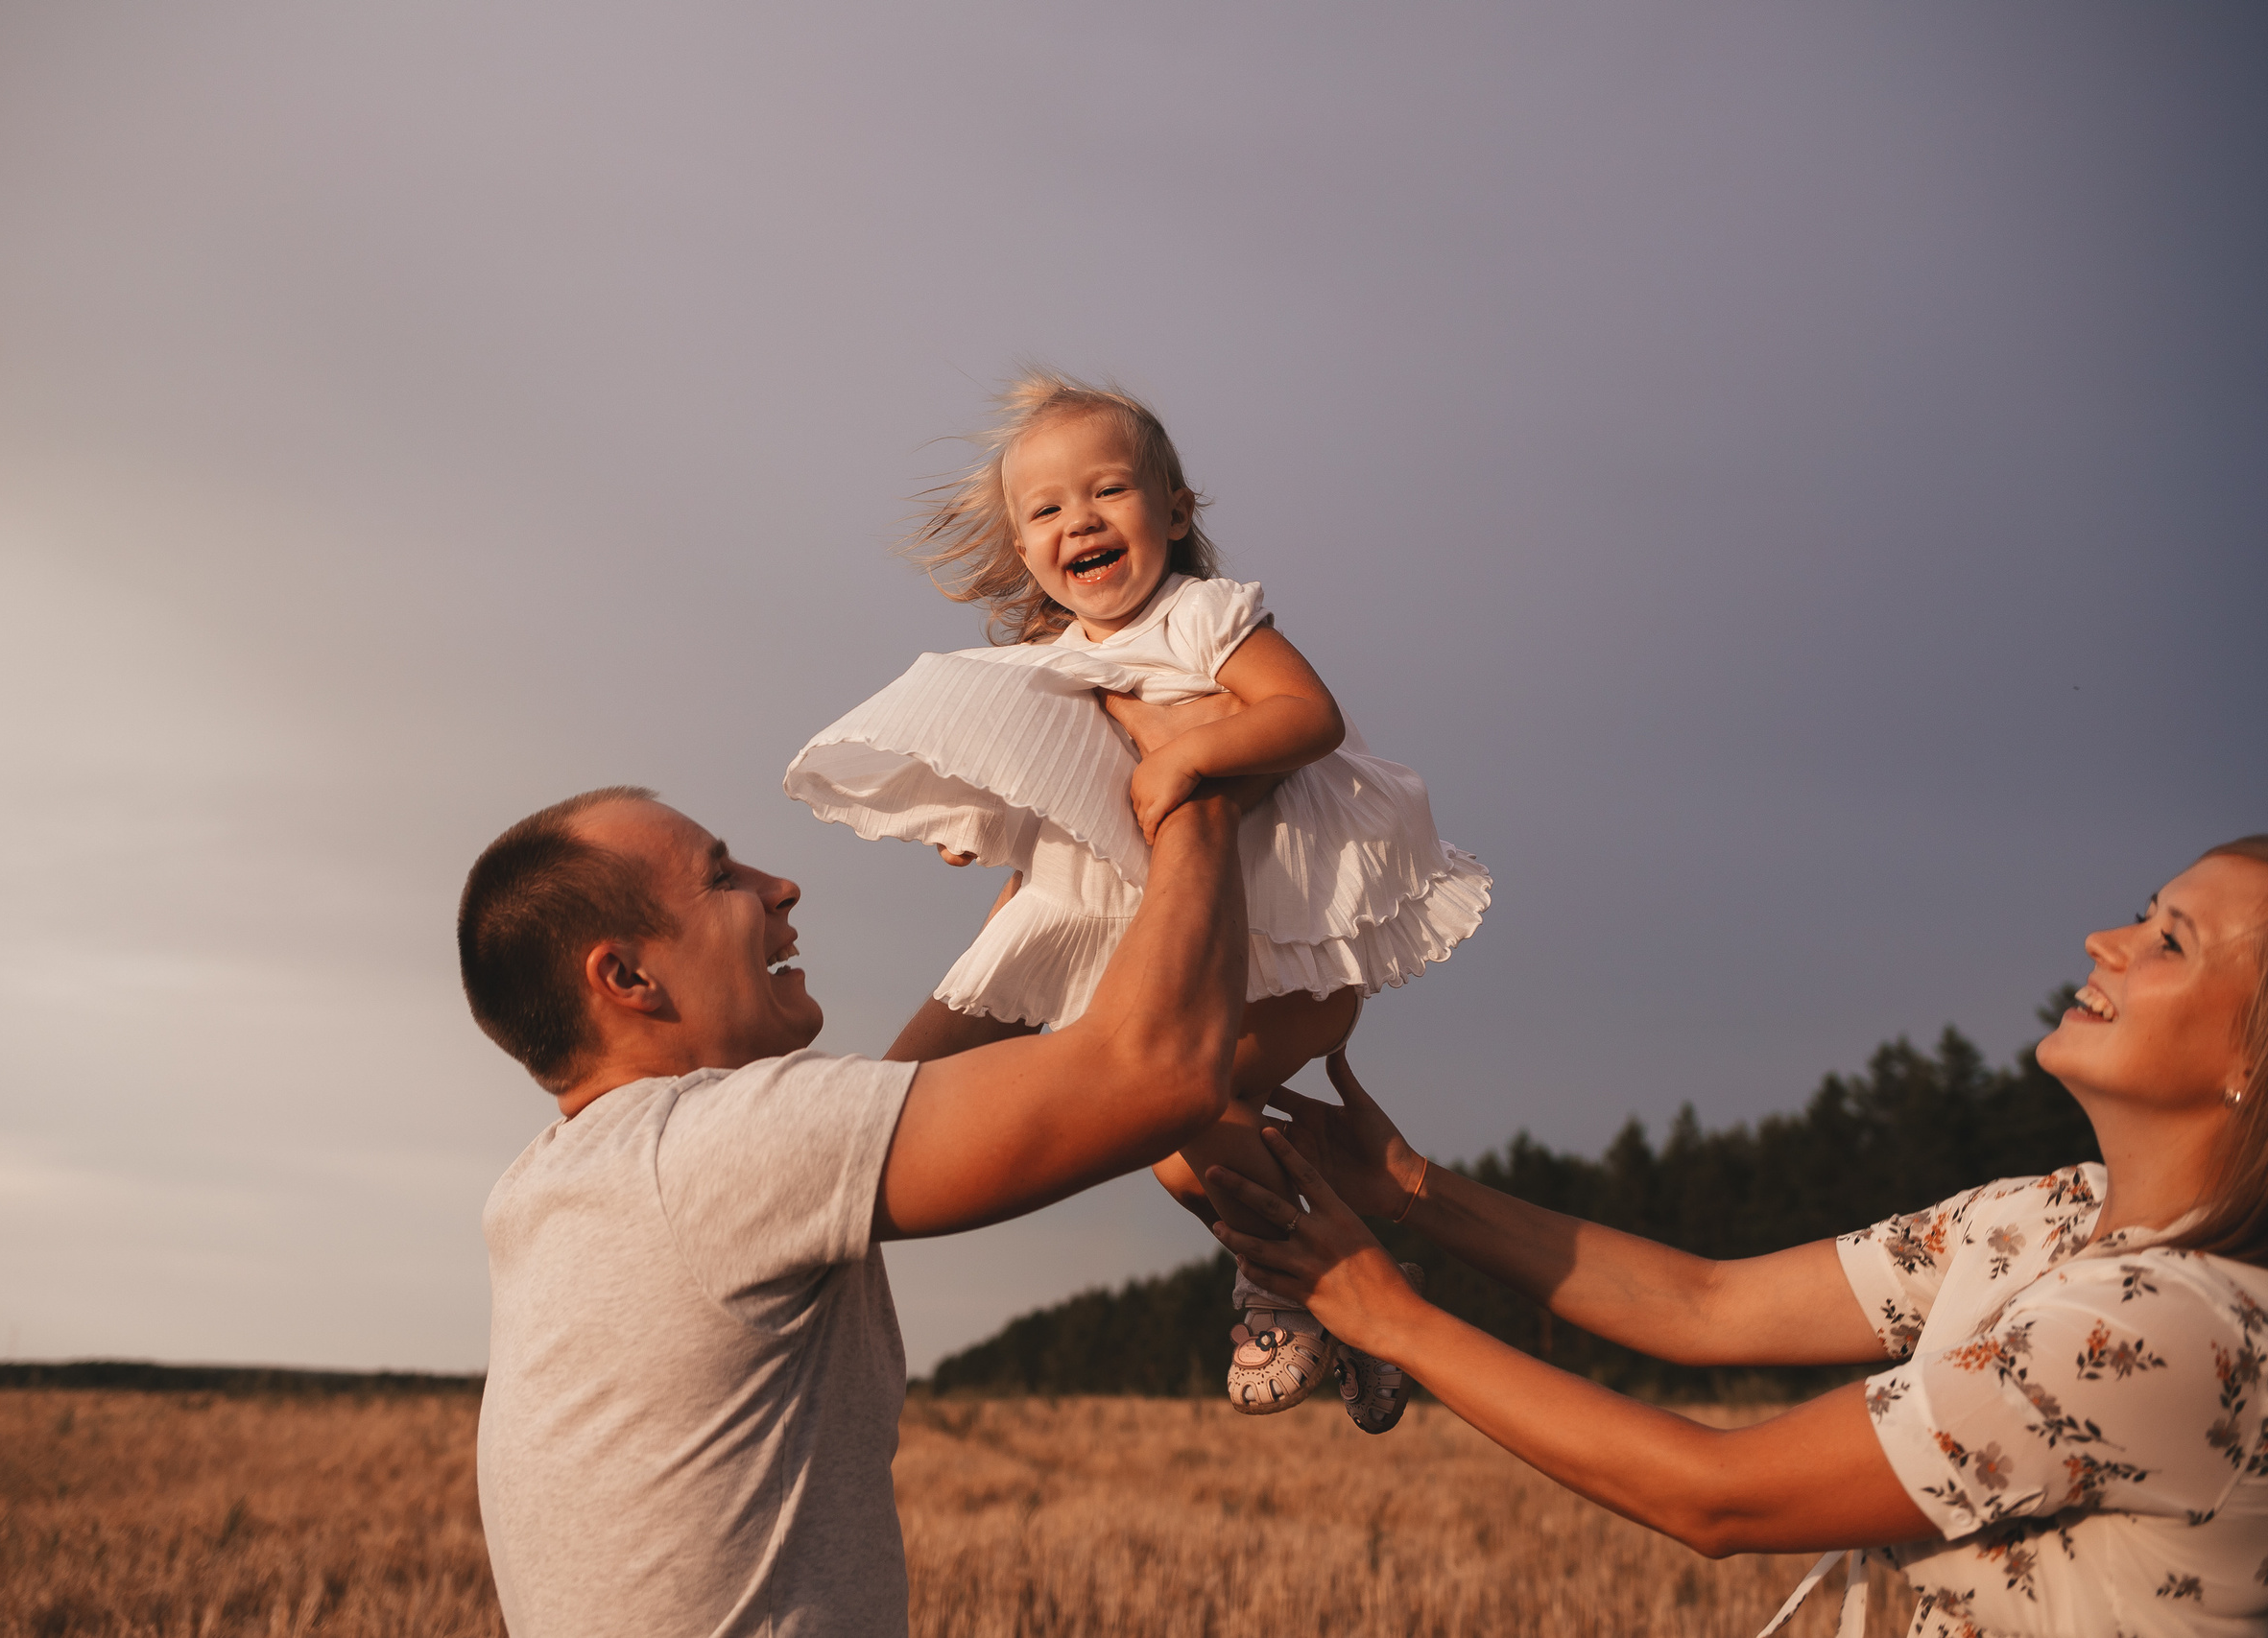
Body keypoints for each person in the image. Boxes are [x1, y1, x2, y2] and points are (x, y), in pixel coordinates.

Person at [1211, 836, 2268, 1637]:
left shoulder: (2175, 1332)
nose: (2107, 942)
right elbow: (1701, 1304)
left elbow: (1715, 1496)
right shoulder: (2047, 1217)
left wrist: (1392, 1320)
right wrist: (1408, 1191)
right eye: (2142, 912)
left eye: (2170, 941)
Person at [784, 370, 1492, 1424]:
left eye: (1108, 491)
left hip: (1264, 949)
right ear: (1026, 552)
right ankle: (1351, 1292)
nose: (1082, 520)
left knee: (1171, 1130)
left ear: (1174, 511)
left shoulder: (1203, 619)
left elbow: (1308, 713)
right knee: (902, 1098)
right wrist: (984, 821)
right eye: (1048, 510)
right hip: (1088, 933)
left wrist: (1190, 760)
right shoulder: (1038, 668)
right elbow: (1052, 807)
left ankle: (1297, 1292)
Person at [456, 778, 1260, 1637]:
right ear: (626, 975)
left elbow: (871, 1117)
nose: (780, 886)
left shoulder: (555, 1182)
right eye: (723, 878)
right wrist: (1196, 786)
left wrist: (1043, 914)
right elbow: (1162, 1071)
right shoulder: (709, 1151)